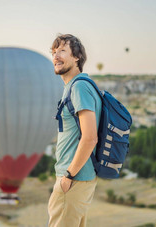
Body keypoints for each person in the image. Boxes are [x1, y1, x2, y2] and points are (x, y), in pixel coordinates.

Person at [48, 34, 102, 227]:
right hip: (79, 178)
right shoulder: (77, 86)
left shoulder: (79, 87)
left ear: (77, 56)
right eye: (53, 52)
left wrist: (68, 176)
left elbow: (89, 137)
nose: (56, 56)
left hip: (73, 178)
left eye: (62, 50)